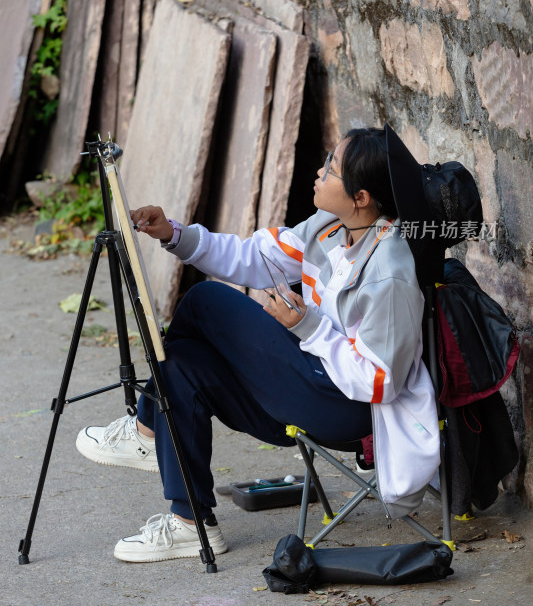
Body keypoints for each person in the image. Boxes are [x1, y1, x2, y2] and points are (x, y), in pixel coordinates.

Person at [76, 127, 440, 563]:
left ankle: (146, 430)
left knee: (204, 300)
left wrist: (308, 326)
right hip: (304, 385)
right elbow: (253, 258)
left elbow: (379, 382)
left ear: (361, 197)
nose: (319, 172)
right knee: (182, 364)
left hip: (346, 408)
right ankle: (191, 523)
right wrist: (172, 233)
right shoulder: (329, 228)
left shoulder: (389, 270)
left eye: (332, 168)